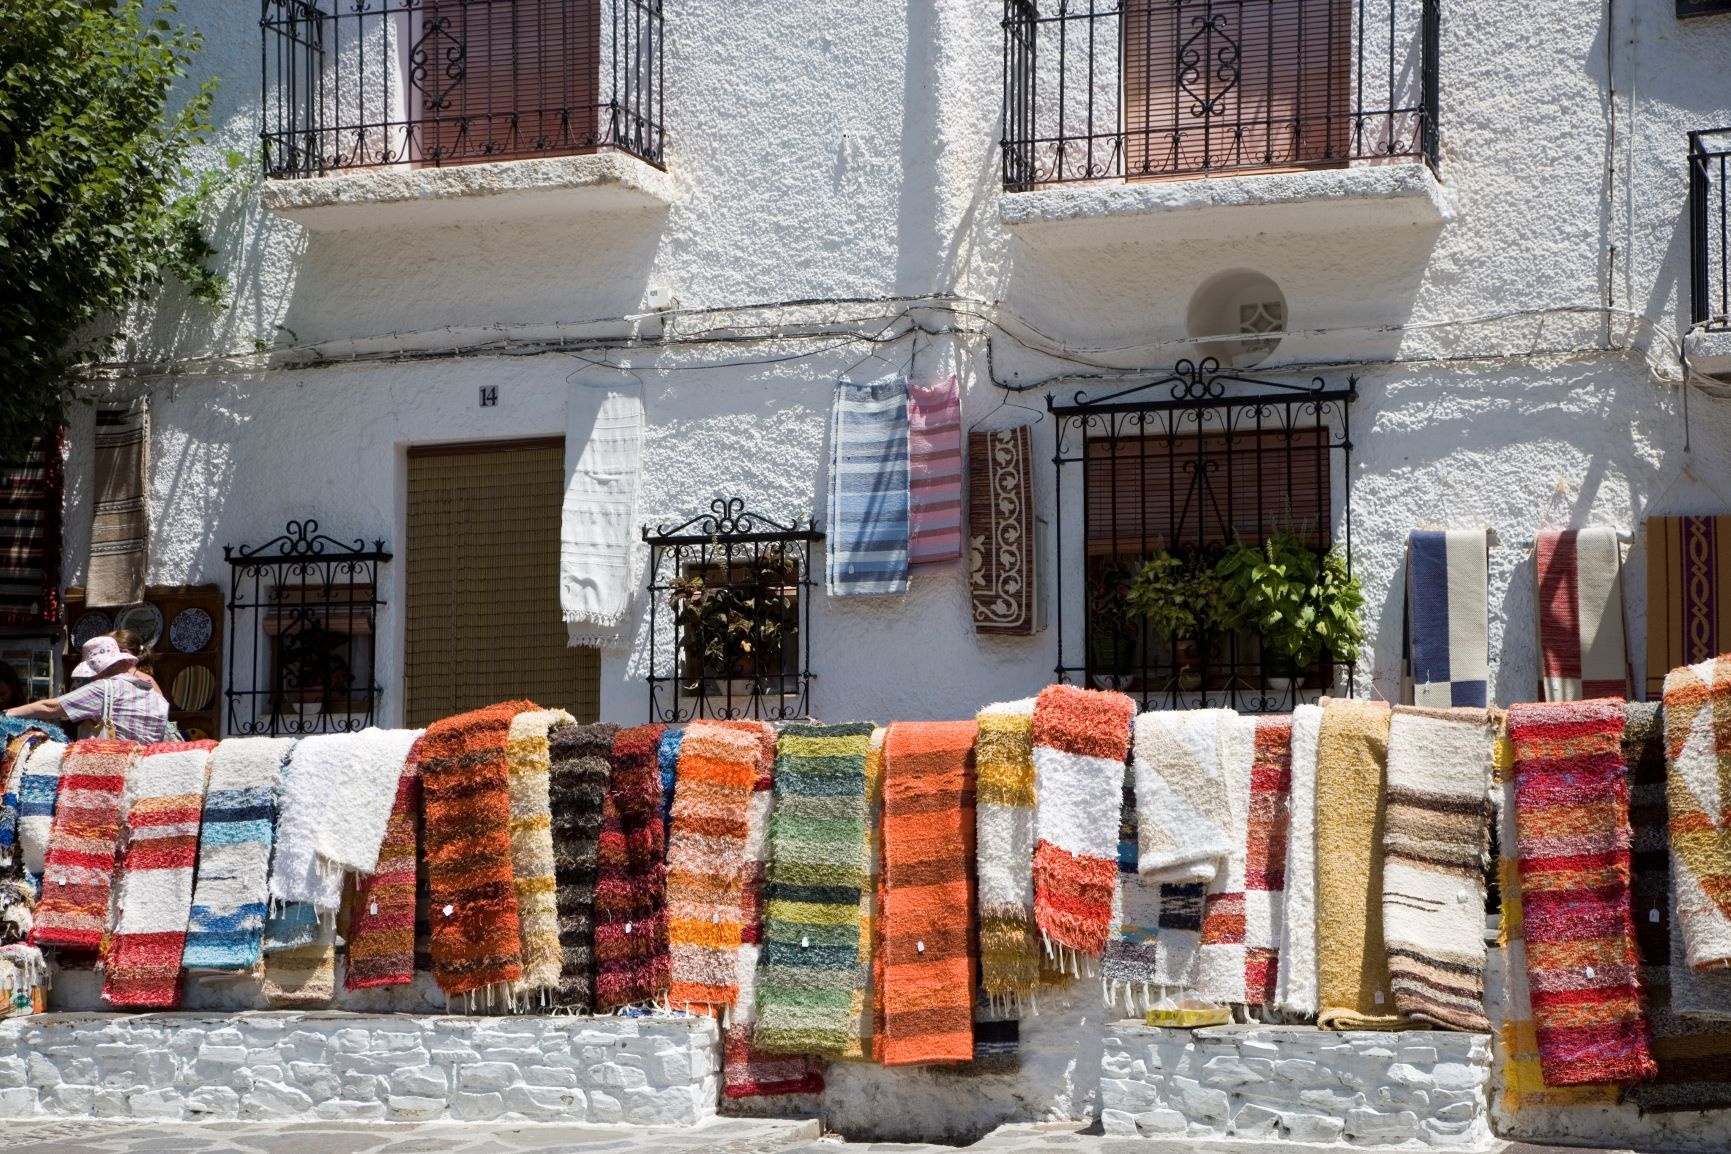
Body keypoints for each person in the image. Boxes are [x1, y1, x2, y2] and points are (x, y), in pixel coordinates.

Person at [6, 635, 169, 744]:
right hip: (143, 768)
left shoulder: (104, 689)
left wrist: (7, 713)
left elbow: (50, 707)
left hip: (110, 770)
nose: (93, 677)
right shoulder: (153, 694)